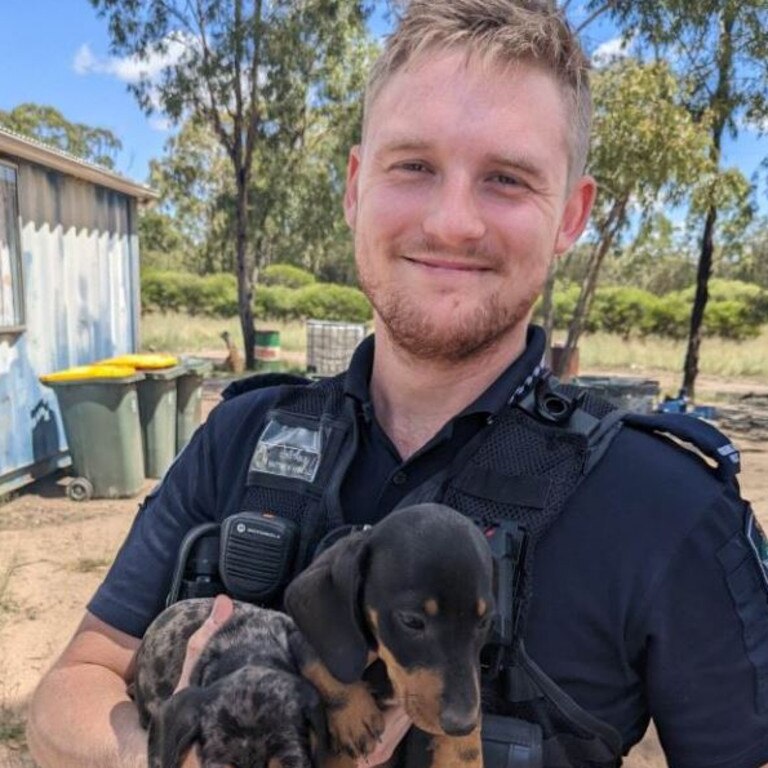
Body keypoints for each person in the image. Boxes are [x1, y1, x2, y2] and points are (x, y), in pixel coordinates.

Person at [27, 0, 768, 766]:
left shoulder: (669, 506)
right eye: (413, 165)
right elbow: (69, 690)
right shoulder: (240, 438)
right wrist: (167, 753)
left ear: (571, 217)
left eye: (507, 179)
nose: (452, 223)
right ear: (355, 187)